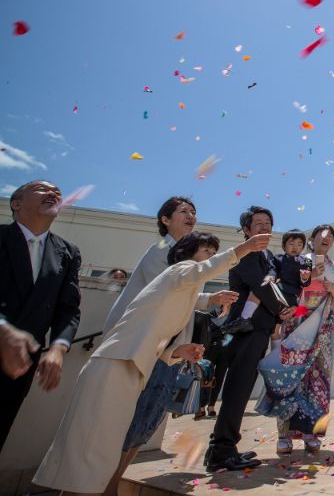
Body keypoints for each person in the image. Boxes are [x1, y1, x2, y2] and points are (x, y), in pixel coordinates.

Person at [33, 231, 271, 496]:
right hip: (116, 361)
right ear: (188, 252)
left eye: (214, 253)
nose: (211, 257)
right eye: (207, 251)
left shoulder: (181, 294)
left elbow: (162, 331)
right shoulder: (181, 269)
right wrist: (243, 249)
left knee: (101, 446)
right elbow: (198, 273)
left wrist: (179, 350)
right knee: (91, 445)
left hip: (133, 366)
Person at [101, 197, 238, 496]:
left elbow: (184, 294)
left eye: (194, 212)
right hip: (141, 349)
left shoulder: (186, 261)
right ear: (165, 219)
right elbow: (169, 291)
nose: (191, 216)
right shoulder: (162, 252)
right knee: (129, 422)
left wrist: (209, 300)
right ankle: (106, 485)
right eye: (183, 212)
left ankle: (113, 483)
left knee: (147, 421)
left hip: (165, 353)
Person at [205, 207, 294, 472]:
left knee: (242, 389)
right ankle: (221, 451)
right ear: (246, 229)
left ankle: (226, 446)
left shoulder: (268, 256)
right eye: (258, 224)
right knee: (237, 389)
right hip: (246, 330)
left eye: (268, 223)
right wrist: (282, 310)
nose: (264, 227)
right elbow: (260, 286)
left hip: (260, 330)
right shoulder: (245, 253)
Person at [0, 181, 81, 450]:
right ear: (16, 203)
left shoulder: (67, 253)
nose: (55, 193)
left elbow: (68, 309)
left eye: (58, 191)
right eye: (41, 189)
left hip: (20, 368)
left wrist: (58, 348)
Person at [256, 224, 334, 454]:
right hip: (296, 328)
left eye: (330, 236)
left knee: (319, 382)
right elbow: (286, 291)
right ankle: (284, 434)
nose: (326, 239)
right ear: (312, 240)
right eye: (321, 235)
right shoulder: (297, 261)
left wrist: (333, 289)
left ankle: (312, 433)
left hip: (323, 332)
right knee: (290, 380)